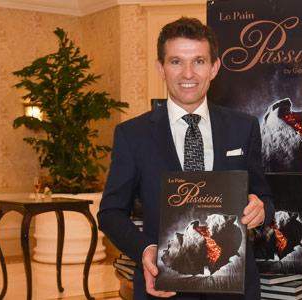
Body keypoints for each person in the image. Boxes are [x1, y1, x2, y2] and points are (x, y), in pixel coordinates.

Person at [97, 17, 274, 300]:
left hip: (233, 286)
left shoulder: (245, 126)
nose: (188, 73)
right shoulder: (133, 134)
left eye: (199, 61)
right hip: (164, 285)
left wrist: (261, 208)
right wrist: (146, 249)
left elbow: (264, 195)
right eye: (176, 61)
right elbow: (110, 213)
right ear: (161, 67)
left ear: (214, 67)